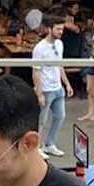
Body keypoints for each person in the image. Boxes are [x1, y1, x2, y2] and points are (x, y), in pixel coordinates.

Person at [31, 20, 73, 160]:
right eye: (58, 29)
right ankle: (36, 147)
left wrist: (67, 83)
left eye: (62, 29)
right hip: (46, 88)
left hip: (57, 87)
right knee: (41, 120)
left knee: (60, 116)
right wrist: (39, 93)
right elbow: (35, 72)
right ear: (50, 29)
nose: (61, 32)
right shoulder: (39, 48)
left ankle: (50, 143)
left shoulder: (59, 44)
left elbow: (59, 65)